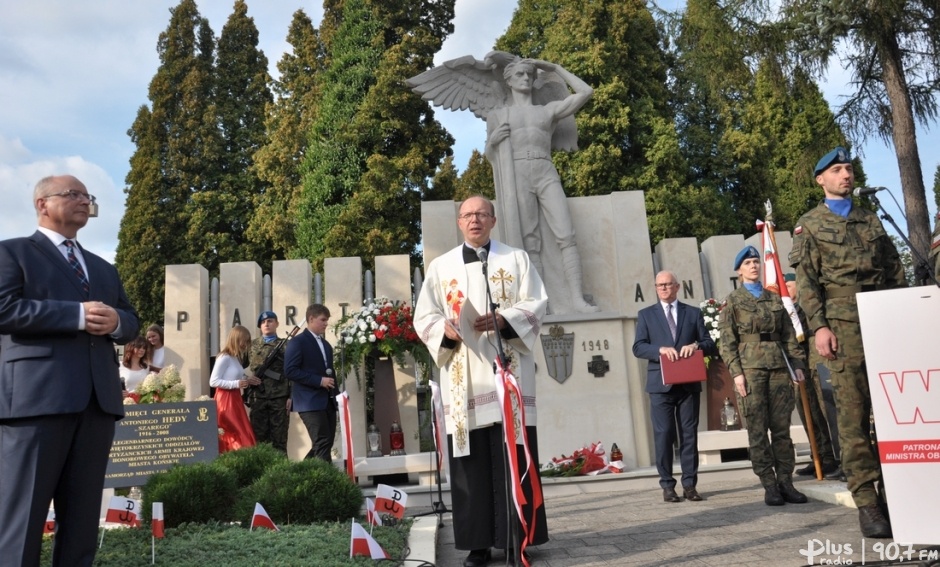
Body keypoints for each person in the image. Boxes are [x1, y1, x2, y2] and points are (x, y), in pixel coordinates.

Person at [0, 174, 139, 567]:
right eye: (72, 194)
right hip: (35, 403)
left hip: (96, 406)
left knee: (80, 524)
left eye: (87, 196)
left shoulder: (102, 268)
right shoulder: (11, 253)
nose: (84, 201)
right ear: (42, 203)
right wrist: (75, 315)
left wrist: (115, 322)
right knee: (22, 519)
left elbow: (131, 320)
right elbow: (4, 309)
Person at [414, 195, 549, 567]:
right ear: (459, 222)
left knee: (512, 454)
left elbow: (537, 303)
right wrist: (447, 331)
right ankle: (476, 545)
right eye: (468, 215)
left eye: (481, 214)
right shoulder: (441, 267)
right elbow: (423, 316)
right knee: (470, 461)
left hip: (507, 372)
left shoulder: (515, 259)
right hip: (464, 378)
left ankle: (514, 539)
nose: (475, 220)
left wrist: (506, 320)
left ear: (493, 219)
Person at [790, 146, 906, 538]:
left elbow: (894, 271)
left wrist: (903, 314)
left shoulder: (871, 219)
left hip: (883, 322)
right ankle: (867, 502)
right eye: (837, 170)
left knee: (892, 414)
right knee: (854, 419)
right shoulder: (810, 224)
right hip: (842, 329)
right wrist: (819, 327)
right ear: (821, 179)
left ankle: (896, 495)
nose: (846, 174)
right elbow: (806, 284)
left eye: (849, 168)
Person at [484, 57, 598, 314]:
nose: (526, 78)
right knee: (530, 241)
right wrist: (493, 141)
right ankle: (540, 302)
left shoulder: (546, 110)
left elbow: (586, 92)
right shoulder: (498, 115)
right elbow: (490, 155)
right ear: (509, 80)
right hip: (518, 173)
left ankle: (577, 299)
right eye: (520, 75)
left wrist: (556, 68)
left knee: (566, 234)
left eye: (529, 74)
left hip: (545, 169)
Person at [719, 245, 808, 507]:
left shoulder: (775, 299)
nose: (754, 266)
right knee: (757, 430)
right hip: (751, 370)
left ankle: (785, 482)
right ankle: (769, 485)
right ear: (739, 270)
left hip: (779, 369)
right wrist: (737, 373)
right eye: (748, 263)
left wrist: (797, 363)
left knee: (781, 429)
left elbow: (789, 334)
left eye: (756, 261)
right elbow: (727, 341)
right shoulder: (733, 301)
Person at [632, 270, 715, 503]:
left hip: (688, 384)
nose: (665, 288)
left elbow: (710, 343)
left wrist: (696, 345)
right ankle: (668, 485)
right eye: (660, 285)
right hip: (660, 385)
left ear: (677, 287)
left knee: (689, 435)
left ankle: (690, 485)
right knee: (664, 434)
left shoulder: (693, 313)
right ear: (656, 288)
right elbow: (638, 347)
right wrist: (659, 350)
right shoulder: (646, 315)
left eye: (668, 284)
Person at [784, 276, 841, 479]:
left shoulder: (810, 307)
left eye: (788, 285)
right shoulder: (789, 311)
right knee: (810, 411)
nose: (785, 289)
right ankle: (821, 456)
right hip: (802, 364)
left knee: (828, 410)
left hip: (817, 360)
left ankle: (841, 458)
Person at [284, 304, 337, 461]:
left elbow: (330, 372)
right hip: (308, 401)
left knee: (325, 443)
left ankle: (301, 474)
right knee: (322, 442)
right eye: (323, 320)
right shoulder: (297, 342)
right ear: (311, 319)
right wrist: (319, 381)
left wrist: (337, 396)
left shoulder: (326, 345)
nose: (326, 323)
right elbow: (290, 370)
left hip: (327, 401)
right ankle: (326, 483)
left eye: (327, 320)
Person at [209, 325, 259, 453]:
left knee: (240, 429)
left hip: (235, 398)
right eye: (245, 340)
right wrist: (236, 384)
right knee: (233, 430)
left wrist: (247, 380)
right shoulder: (224, 357)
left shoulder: (235, 357)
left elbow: (235, 376)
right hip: (226, 400)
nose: (246, 344)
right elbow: (213, 381)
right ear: (236, 339)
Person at [247, 310, 291, 452]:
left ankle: (281, 472)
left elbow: (293, 371)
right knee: (258, 439)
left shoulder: (286, 345)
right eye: (263, 322)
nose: (267, 324)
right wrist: (245, 379)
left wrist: (292, 396)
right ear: (260, 326)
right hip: (258, 398)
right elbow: (235, 366)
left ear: (277, 324)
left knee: (279, 439)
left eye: (270, 321)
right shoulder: (251, 346)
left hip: (279, 398)